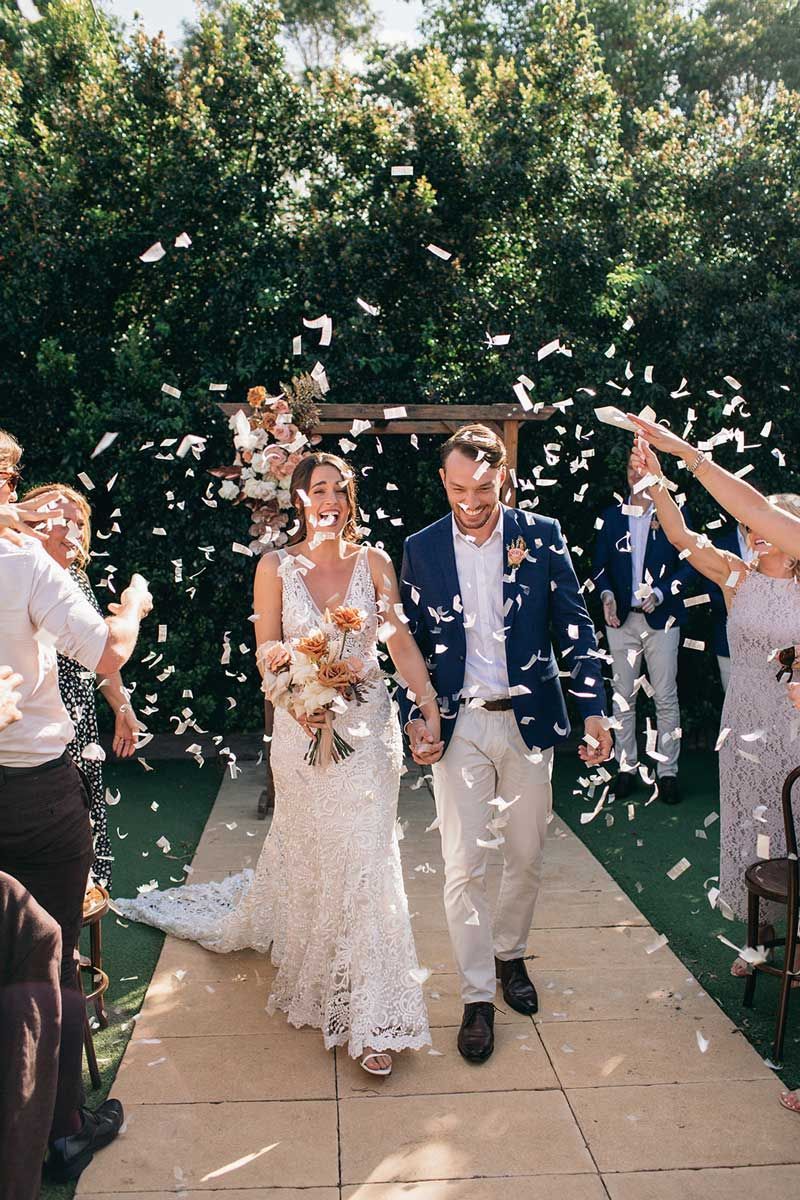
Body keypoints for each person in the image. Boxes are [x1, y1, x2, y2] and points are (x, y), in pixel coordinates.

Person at [115, 452, 436, 1077]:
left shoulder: (374, 562)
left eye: (340, 489)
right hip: (300, 731)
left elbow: (396, 639)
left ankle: (369, 1015)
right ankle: (322, 969)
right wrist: (296, 700)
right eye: (318, 489)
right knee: (316, 852)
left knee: (369, 862)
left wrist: (426, 703)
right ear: (296, 500)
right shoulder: (275, 566)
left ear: (350, 498)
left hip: (367, 732)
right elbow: (267, 646)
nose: (331, 499)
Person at [398, 424, 611, 1064]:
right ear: (443, 480)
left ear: (503, 478)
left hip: (530, 721)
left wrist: (595, 710)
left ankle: (510, 954)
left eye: (483, 489)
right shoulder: (421, 548)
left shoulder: (540, 536)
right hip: (460, 726)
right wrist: (419, 715)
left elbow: (574, 627)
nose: (470, 501)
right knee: (464, 866)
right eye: (459, 488)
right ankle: (476, 997)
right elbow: (408, 645)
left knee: (526, 852)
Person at [0, 427, 153, 1184]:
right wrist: (131, 606)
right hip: (30, 792)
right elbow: (108, 651)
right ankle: (60, 1130)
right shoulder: (22, 563)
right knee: (47, 957)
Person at [630, 436, 800, 961]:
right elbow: (680, 535)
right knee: (753, 824)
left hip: (795, 720)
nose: (756, 534)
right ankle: (758, 939)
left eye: (768, 527)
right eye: (753, 529)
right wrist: (655, 480)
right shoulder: (736, 577)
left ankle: (797, 939)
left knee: (796, 819)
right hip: (745, 717)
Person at [24, 483, 143, 890]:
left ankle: (77, 901)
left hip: (80, 722)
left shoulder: (75, 576)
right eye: (60, 522)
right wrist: (133, 604)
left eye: (79, 524)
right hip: (37, 729)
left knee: (81, 815)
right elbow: (113, 643)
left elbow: (99, 656)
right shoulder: (26, 577)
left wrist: (122, 707)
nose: (72, 532)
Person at [592, 451, 697, 804]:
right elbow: (599, 567)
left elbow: (690, 567)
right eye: (631, 468)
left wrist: (662, 591)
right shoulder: (610, 518)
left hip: (662, 619)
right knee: (623, 696)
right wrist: (606, 595)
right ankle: (625, 767)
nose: (637, 474)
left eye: (644, 468)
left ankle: (668, 772)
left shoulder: (672, 519)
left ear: (657, 474)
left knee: (666, 696)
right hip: (620, 620)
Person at [629, 412, 800, 560]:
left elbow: (757, 509)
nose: (755, 528)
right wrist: (658, 475)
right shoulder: (736, 575)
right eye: (750, 526)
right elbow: (679, 536)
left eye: (769, 523)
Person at [710, 520, 754, 692]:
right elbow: (710, 592)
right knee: (733, 701)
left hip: (770, 647)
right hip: (728, 641)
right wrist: (738, 603)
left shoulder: (773, 545)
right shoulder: (721, 546)